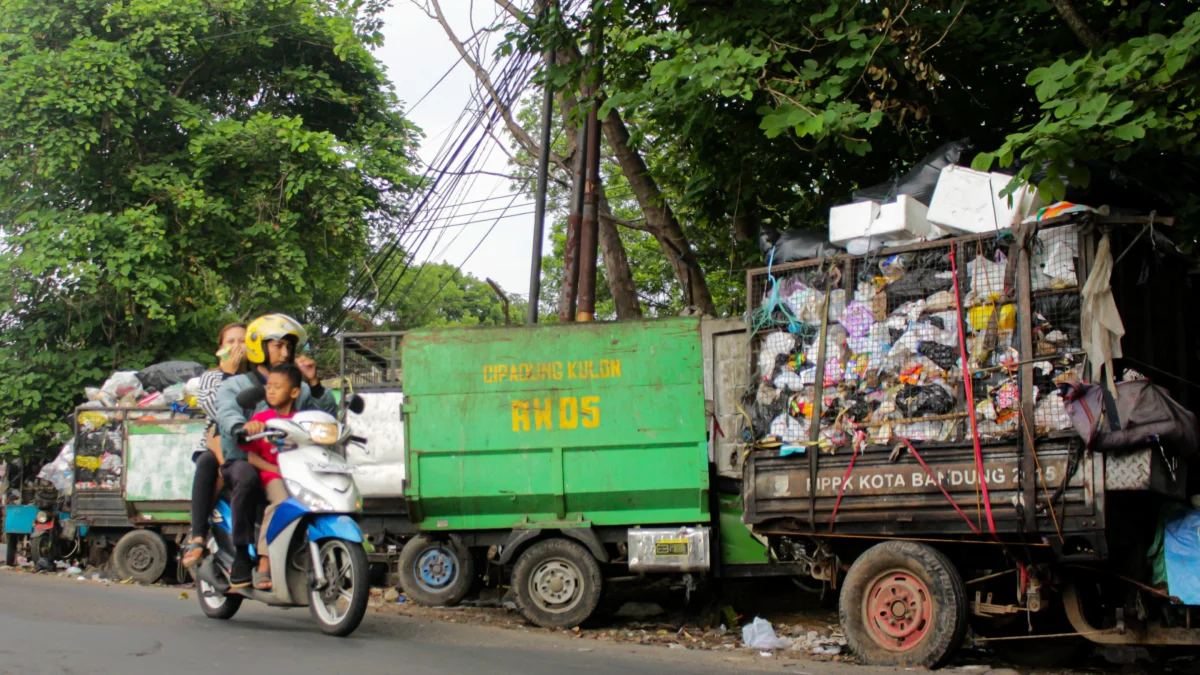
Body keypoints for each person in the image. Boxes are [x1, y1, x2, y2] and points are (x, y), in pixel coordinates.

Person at [214, 313, 336, 587]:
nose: (286, 352)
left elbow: (327, 415)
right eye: (278, 345)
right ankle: (245, 556)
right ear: (259, 347)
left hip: (291, 464)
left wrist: (314, 383)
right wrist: (240, 426)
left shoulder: (299, 390)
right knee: (245, 477)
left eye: (288, 346)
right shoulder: (237, 384)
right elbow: (226, 410)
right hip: (247, 458)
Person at [181, 322, 248, 569]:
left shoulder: (258, 376)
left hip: (252, 444)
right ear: (220, 349)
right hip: (217, 442)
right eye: (231, 342)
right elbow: (217, 409)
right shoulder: (211, 377)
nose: (237, 347)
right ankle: (197, 533)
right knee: (208, 461)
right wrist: (229, 375)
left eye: (242, 341)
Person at [241, 364, 303, 591]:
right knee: (281, 502)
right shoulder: (262, 419)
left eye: (278, 387)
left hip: (301, 476)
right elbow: (250, 456)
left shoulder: (303, 420)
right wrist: (274, 469)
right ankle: (264, 562)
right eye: (269, 386)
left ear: (295, 392)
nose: (271, 391)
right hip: (272, 476)